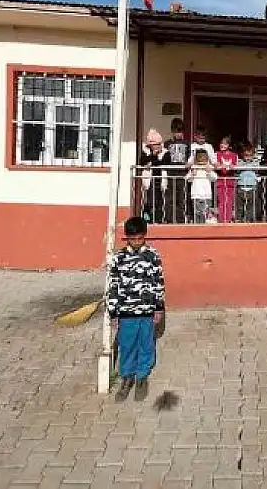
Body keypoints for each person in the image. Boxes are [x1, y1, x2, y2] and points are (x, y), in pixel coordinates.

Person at [107, 216, 166, 403]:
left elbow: (159, 283)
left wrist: (159, 308)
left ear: (145, 236)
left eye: (140, 238)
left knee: (146, 344)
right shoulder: (119, 258)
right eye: (133, 239)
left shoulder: (153, 256)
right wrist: (113, 312)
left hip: (147, 311)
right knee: (127, 344)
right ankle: (126, 378)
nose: (137, 242)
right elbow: (113, 285)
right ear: (127, 238)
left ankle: (142, 377)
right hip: (126, 312)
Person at [137, 129, 168, 223]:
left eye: (159, 144)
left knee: (160, 202)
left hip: (161, 180)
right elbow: (142, 161)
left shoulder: (165, 152)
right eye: (155, 144)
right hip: (149, 181)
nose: (158, 146)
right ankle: (148, 219)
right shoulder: (145, 151)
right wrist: (152, 155)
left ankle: (159, 220)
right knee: (149, 202)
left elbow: (164, 162)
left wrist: (152, 162)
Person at [164, 119, 191, 224]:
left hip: (182, 174)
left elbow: (190, 157)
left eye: (180, 131)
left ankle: (181, 219)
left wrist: (189, 164)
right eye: (176, 131)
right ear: (172, 131)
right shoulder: (167, 143)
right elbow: (164, 158)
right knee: (170, 197)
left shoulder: (186, 143)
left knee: (182, 197)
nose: (178, 134)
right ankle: (170, 218)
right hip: (171, 174)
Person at [186, 149, 217, 224]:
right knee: (197, 213)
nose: (201, 159)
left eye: (203, 157)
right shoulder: (194, 168)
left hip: (206, 195)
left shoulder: (209, 168)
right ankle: (197, 228)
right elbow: (188, 179)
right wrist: (192, 174)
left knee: (205, 213)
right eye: (199, 157)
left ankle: (204, 228)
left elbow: (214, 178)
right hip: (195, 194)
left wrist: (209, 172)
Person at [215, 136, 238, 223]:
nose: (222, 145)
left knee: (229, 201)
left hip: (230, 181)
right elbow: (215, 164)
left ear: (229, 145)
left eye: (225, 143)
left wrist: (233, 167)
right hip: (220, 180)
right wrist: (218, 165)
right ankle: (221, 220)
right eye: (221, 143)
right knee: (221, 201)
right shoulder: (217, 154)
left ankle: (227, 219)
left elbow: (236, 166)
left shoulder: (234, 155)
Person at [236, 142, 261, 223]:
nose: (248, 158)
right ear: (242, 154)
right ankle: (239, 219)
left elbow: (257, 168)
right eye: (246, 155)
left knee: (251, 205)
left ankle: (249, 220)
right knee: (240, 206)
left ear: (253, 155)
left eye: (250, 155)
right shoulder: (239, 162)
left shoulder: (255, 162)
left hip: (252, 186)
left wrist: (253, 161)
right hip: (241, 186)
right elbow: (237, 169)